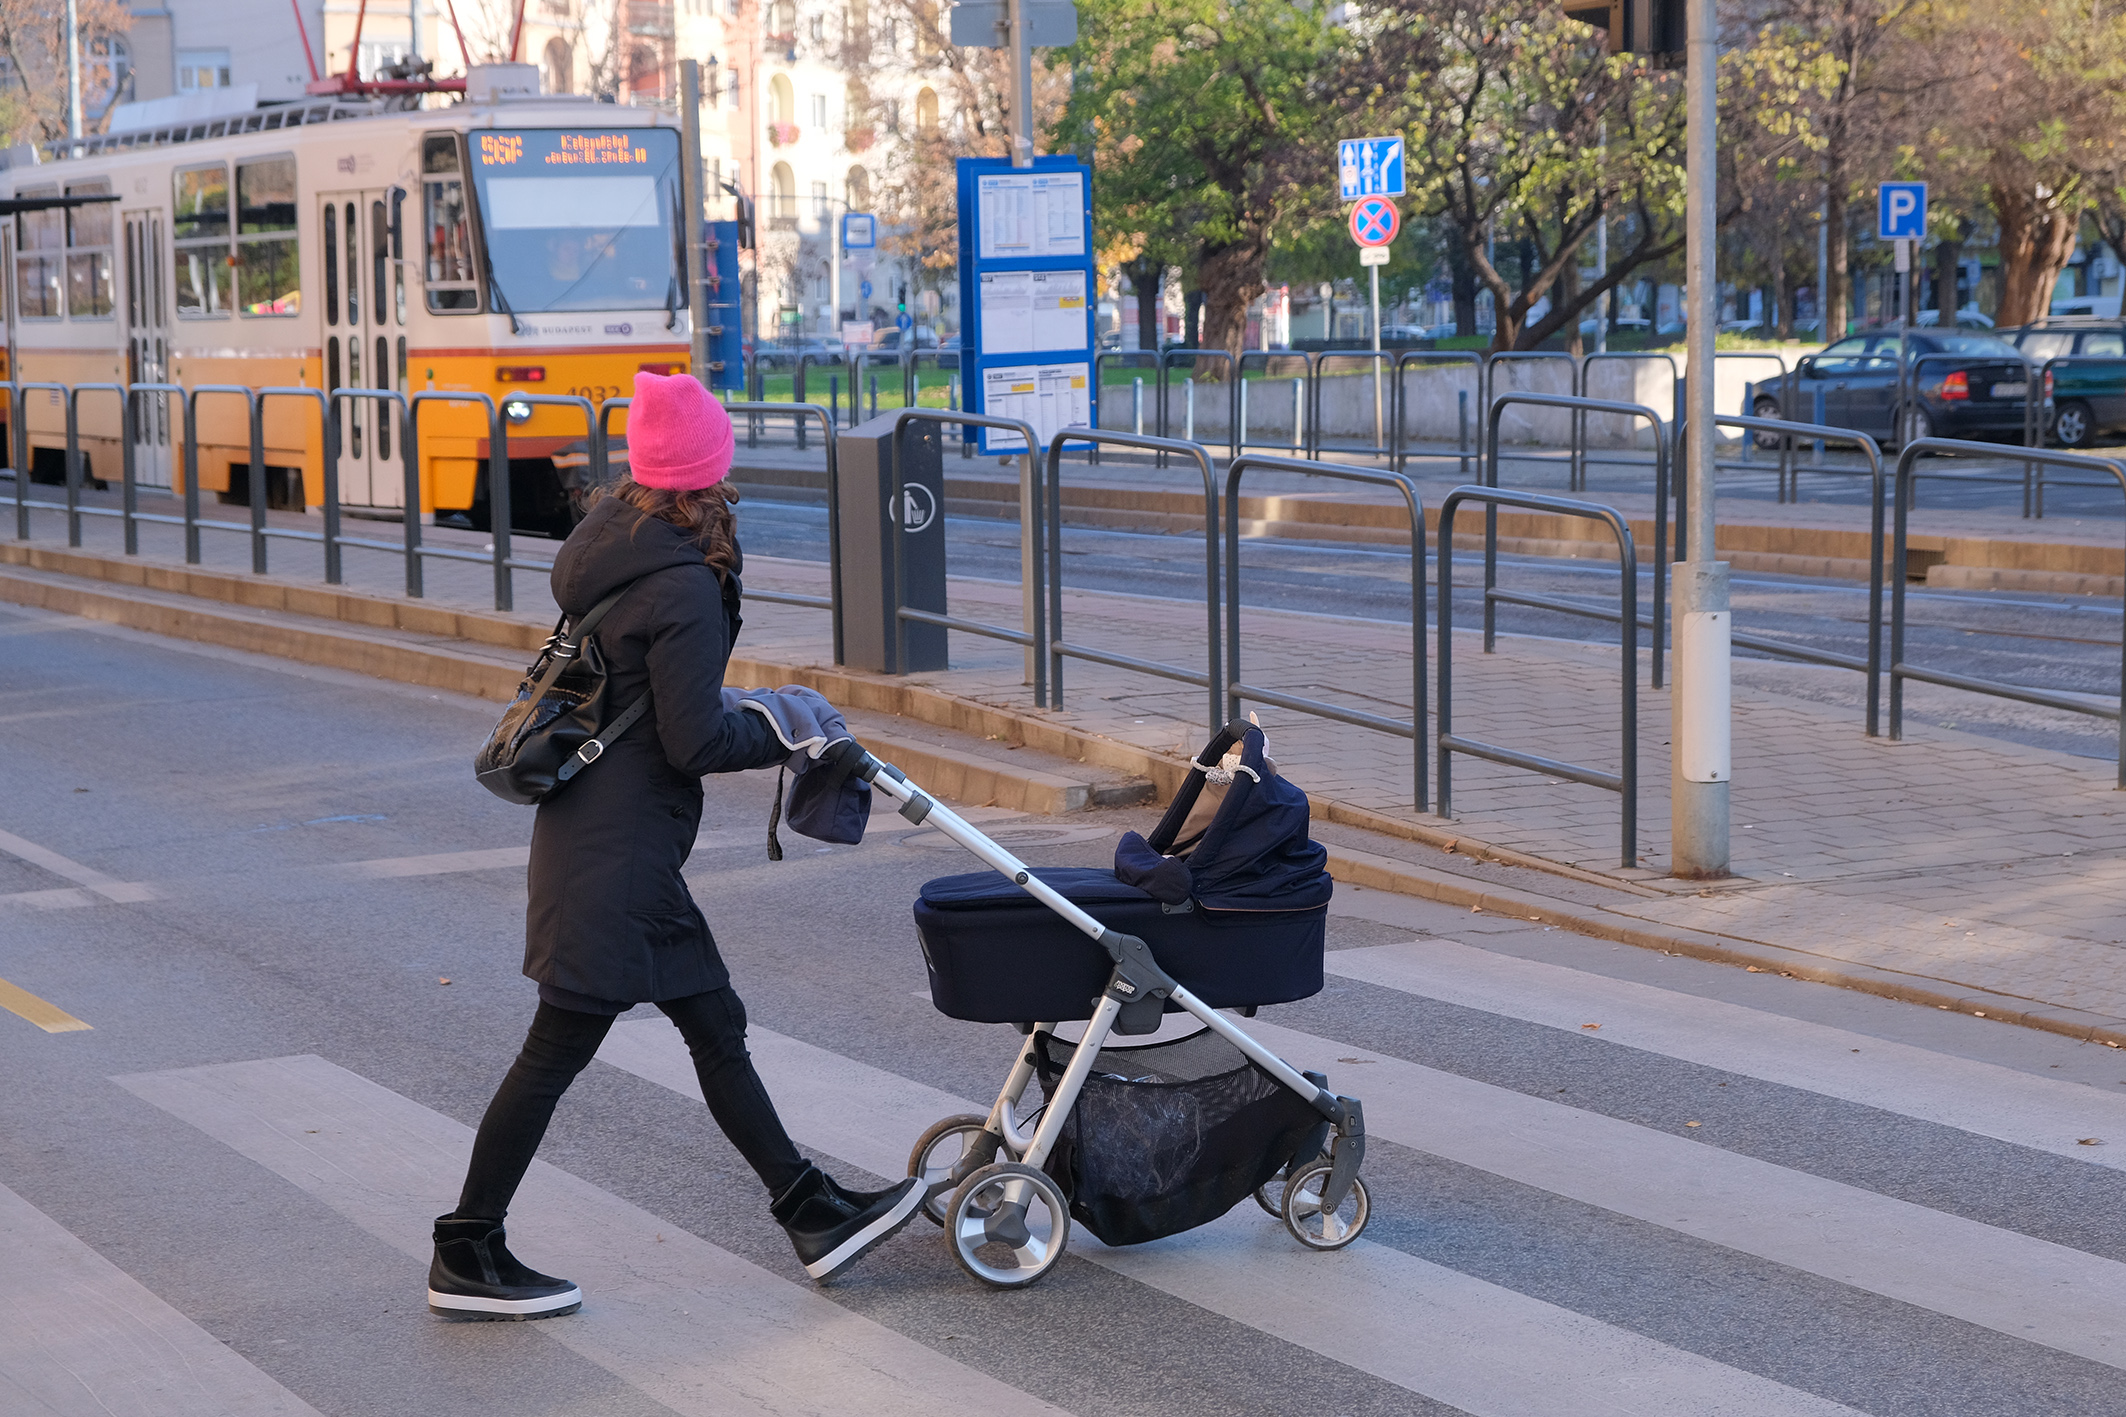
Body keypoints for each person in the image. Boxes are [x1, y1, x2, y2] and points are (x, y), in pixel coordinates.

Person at [429, 372, 923, 1321]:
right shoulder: (685, 583)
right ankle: (467, 1246)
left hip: (604, 841)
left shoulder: (614, 550)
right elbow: (694, 739)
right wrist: (787, 730)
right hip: (618, 858)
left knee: (714, 1022)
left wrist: (754, 711)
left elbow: (654, 706)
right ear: (709, 473)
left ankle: (809, 1207)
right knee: (557, 1050)